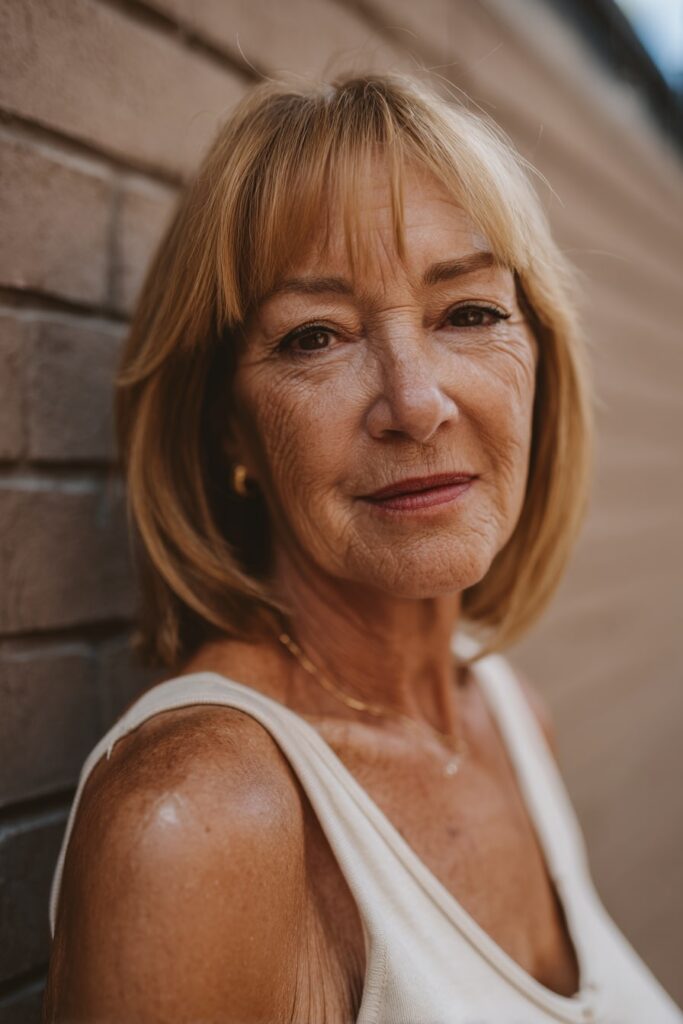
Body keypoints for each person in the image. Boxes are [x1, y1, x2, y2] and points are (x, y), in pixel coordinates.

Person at [43, 73, 681, 1023]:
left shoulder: (509, 715)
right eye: (314, 337)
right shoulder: (198, 821)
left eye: (468, 313)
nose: (416, 403)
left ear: (538, 355)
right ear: (230, 432)